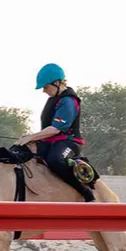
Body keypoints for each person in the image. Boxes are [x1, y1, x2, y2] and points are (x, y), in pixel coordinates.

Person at [16, 63, 96, 202]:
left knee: (55, 160)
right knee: (19, 150)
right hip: (50, 142)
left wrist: (32, 137)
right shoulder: (53, 99)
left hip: (69, 143)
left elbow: (56, 129)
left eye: (46, 87)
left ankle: (86, 193)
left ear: (57, 83)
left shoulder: (69, 101)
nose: (44, 91)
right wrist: (27, 139)